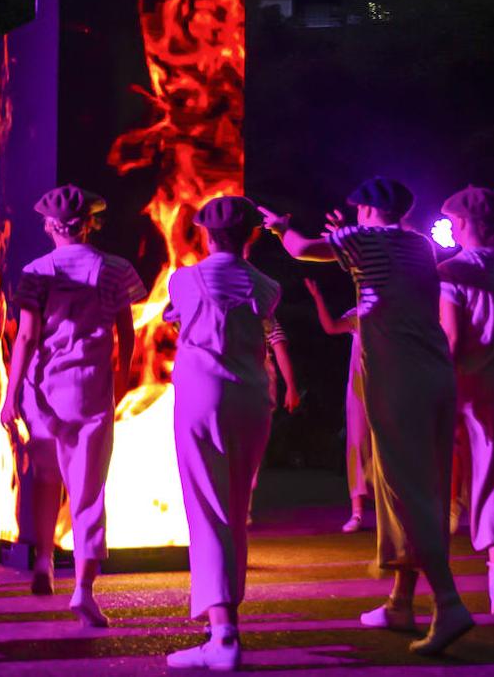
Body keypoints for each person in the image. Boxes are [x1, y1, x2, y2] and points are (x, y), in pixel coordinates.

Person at [261, 176, 474, 656]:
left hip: (398, 375)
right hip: (436, 371)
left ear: (366, 210)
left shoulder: (362, 238)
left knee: (406, 488)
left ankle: (448, 601)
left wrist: (279, 228)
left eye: (357, 208)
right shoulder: (420, 244)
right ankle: (401, 601)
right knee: (420, 486)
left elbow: (301, 249)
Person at [0, 185, 145, 628]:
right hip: (91, 388)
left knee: (43, 479)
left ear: (48, 225)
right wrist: (120, 384)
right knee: (88, 492)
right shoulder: (116, 268)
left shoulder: (36, 271)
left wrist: (11, 395)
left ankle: (43, 559)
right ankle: (83, 589)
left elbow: (25, 336)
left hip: (43, 389)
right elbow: (127, 332)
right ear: (89, 223)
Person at [164, 196, 280, 671]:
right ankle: (224, 624)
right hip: (252, 398)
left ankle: (223, 635)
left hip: (201, 396)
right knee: (235, 508)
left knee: (208, 510)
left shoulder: (183, 279)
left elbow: (189, 315)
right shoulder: (268, 286)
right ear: (252, 233)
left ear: (206, 234)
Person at [436, 187, 494, 615]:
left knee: (439, 476)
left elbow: (453, 339)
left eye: (457, 222)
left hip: (460, 386)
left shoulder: (451, 271)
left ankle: (432, 582)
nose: (453, 228)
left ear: (472, 224)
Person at [303, 279, 370, 532]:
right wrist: (318, 295)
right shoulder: (359, 315)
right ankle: (357, 512)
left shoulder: (391, 310)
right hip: (360, 391)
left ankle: (396, 510)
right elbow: (331, 327)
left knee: (388, 448)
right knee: (357, 443)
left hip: (388, 388)